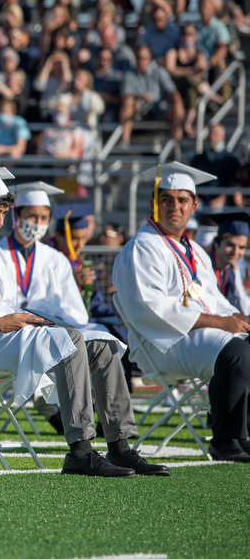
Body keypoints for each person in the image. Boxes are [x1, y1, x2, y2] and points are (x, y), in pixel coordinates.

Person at [0, 168, 160, 477]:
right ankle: (80, 451)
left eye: (3, 212)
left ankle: (119, 445)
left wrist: (25, 319)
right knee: (69, 340)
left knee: (100, 342)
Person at [0, 183, 153, 443]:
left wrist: (52, 320)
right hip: (14, 331)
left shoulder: (56, 258)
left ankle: (119, 436)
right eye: (31, 216)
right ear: (16, 216)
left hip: (50, 328)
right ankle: (76, 435)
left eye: (44, 218)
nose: (38, 223)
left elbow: (73, 310)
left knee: (102, 338)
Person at [113, 162, 250, 463]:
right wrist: (224, 324)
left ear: (194, 205)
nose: (174, 206)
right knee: (236, 352)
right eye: (166, 199)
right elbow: (154, 309)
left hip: (196, 335)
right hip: (163, 342)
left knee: (244, 342)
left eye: (182, 200)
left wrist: (241, 320)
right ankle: (224, 440)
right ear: (154, 203)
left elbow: (213, 301)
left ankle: (244, 433)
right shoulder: (143, 247)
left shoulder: (195, 250)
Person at [210, 213, 250, 314]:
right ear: (216, 243)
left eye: (241, 247)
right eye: (230, 245)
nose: (235, 251)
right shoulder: (202, 267)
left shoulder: (231, 271)